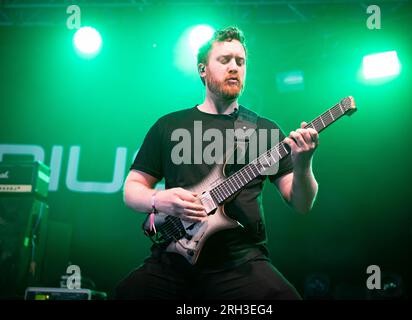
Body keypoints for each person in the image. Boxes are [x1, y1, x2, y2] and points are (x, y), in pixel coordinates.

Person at [115, 26, 319, 300]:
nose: (234, 67)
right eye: (225, 60)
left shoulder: (263, 130)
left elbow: (302, 203)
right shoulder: (169, 125)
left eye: (240, 61)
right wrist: (159, 200)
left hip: (241, 262)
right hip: (174, 258)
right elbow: (132, 189)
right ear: (203, 69)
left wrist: (303, 162)